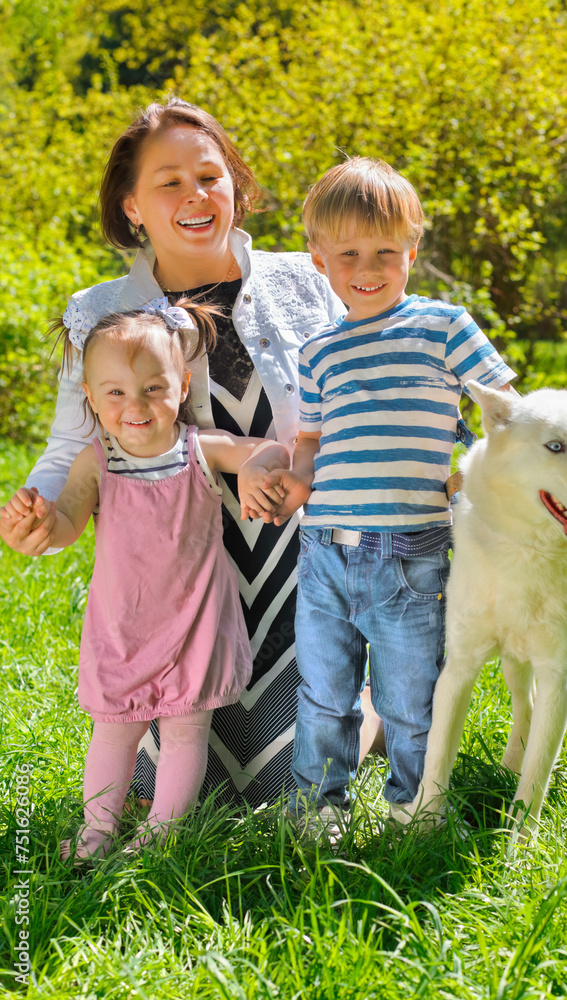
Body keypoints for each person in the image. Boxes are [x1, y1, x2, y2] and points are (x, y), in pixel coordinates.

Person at [0, 97, 386, 811]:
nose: (194, 196)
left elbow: (363, 416)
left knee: (277, 786)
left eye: (209, 176)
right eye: (168, 182)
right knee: (181, 786)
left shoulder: (308, 281)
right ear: (132, 206)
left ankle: (371, 697)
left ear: (235, 185)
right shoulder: (97, 310)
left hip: (304, 564)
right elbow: (70, 447)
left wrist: (301, 475)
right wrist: (40, 514)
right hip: (174, 581)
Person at [262, 157, 517, 824]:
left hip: (410, 549)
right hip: (322, 551)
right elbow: (313, 441)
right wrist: (295, 483)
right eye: (348, 253)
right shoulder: (318, 352)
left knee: (409, 696)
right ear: (319, 261)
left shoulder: (442, 326)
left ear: (411, 249)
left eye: (384, 251)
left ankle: (415, 805)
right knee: (322, 693)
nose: (366, 268)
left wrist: (481, 467)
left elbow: (502, 410)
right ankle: (321, 810)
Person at [1, 303, 289, 859]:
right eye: (115, 393)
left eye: (153, 388)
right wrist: (38, 520)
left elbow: (264, 449)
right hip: (122, 626)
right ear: (90, 395)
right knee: (113, 730)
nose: (136, 405)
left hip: (194, 622)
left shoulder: (198, 449)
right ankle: (96, 833)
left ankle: (161, 838)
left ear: (181, 386)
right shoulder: (97, 460)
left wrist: (257, 465)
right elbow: (64, 526)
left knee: (185, 732)